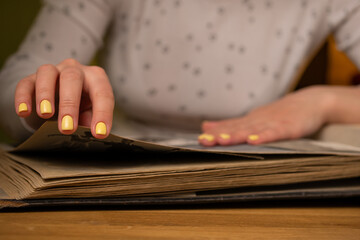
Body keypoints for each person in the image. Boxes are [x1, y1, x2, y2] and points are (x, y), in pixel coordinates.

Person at [1, 0, 360, 147]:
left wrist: (324, 100)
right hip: (106, 177)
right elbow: (16, 77)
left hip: (254, 179)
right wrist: (42, 101)